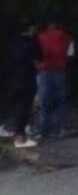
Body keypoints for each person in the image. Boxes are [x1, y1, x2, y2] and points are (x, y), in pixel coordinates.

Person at [5, 20, 42, 148]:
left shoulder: (11, 42)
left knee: (15, 106)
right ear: (30, 29)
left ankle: (10, 130)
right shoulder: (32, 43)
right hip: (26, 79)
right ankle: (19, 137)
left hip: (12, 79)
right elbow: (40, 58)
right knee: (24, 107)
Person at [36, 20, 74, 138]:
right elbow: (70, 55)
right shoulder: (67, 38)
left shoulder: (41, 38)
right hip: (60, 71)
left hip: (44, 71)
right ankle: (62, 128)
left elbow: (36, 54)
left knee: (44, 101)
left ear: (48, 26)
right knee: (61, 100)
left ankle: (44, 129)